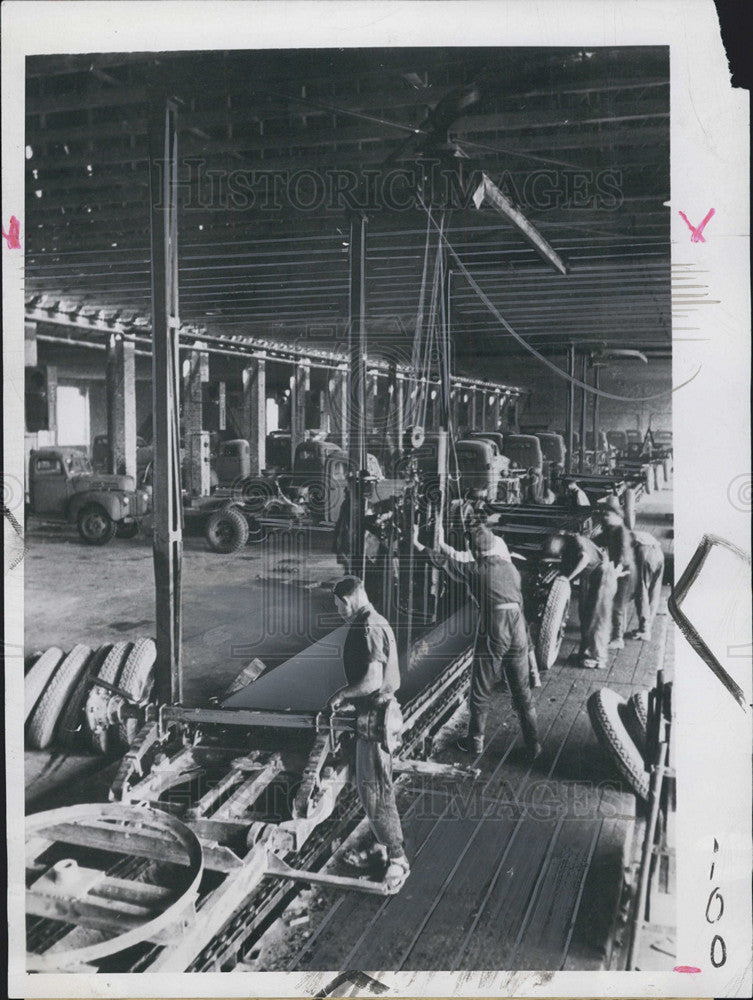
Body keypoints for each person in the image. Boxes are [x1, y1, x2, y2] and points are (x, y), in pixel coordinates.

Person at [413, 522, 541, 760]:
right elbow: (520, 604)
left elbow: (444, 563)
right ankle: (534, 744)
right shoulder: (511, 568)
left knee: (481, 685)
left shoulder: (477, 569)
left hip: (496, 625)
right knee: (521, 690)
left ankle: (475, 743)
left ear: (476, 550)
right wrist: (530, 649)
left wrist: (417, 544)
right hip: (518, 625)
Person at [327, 575, 410, 894]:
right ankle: (382, 845)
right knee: (369, 788)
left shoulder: (369, 626)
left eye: (337, 606)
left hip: (376, 715)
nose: (338, 611)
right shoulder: (372, 620)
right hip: (373, 713)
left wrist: (343, 695)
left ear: (347, 600)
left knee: (376, 789)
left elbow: (374, 680)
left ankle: (398, 860)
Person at [543, 531, 617, 669]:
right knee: (587, 616)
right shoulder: (569, 546)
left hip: (604, 576)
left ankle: (599, 659)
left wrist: (568, 579)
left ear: (558, 539)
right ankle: (585, 653)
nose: (555, 552)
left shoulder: (577, 541)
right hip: (596, 576)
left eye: (554, 548)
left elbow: (585, 559)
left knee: (597, 618)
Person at [593, 495, 636, 649]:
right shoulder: (612, 530)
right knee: (617, 603)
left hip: (625, 573)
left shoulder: (621, 533)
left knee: (618, 604)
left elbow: (623, 557)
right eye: (604, 514)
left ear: (617, 516)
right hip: (620, 571)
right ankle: (616, 633)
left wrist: (615, 574)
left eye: (608, 515)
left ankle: (618, 639)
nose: (605, 518)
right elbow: (598, 541)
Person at [631, 529, 665, 640]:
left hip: (645, 553)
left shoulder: (619, 535)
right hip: (659, 553)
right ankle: (647, 628)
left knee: (642, 589)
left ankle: (644, 630)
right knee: (655, 590)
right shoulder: (635, 533)